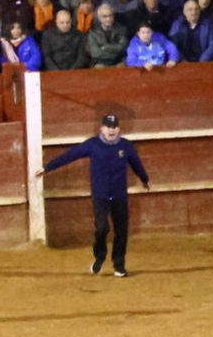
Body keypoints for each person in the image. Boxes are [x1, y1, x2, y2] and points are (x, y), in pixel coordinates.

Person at [37, 112, 150, 276]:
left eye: (114, 127)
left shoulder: (125, 146)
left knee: (121, 231)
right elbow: (70, 155)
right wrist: (48, 168)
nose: (111, 130)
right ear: (102, 128)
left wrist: (145, 179)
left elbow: (136, 164)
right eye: (108, 127)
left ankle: (119, 265)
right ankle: (100, 257)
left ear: (119, 129)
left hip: (119, 196)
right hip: (101, 196)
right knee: (102, 228)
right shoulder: (92, 145)